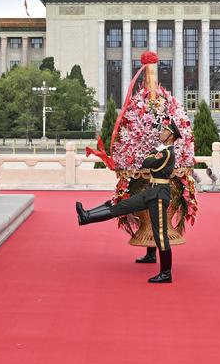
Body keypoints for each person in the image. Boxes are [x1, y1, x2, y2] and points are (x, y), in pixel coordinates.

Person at [76, 119, 181, 284]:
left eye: (164, 131)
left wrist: (153, 154)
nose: (161, 133)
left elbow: (146, 162)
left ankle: (166, 273)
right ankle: (87, 216)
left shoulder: (167, 152)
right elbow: (148, 161)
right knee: (122, 206)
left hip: (159, 195)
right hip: (151, 191)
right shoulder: (162, 150)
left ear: (171, 135)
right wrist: (153, 153)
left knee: (160, 234)